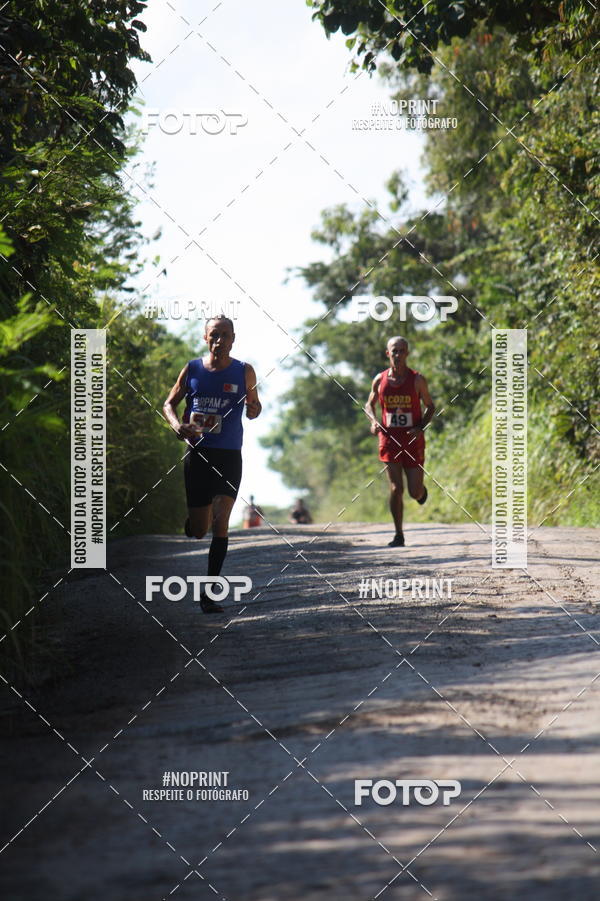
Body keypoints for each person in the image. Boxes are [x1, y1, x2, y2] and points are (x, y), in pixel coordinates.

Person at [163, 315, 261, 613]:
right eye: (214, 335)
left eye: (225, 335)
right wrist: (176, 425)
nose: (219, 340)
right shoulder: (192, 369)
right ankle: (193, 525)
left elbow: (254, 409)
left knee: (222, 523)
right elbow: (169, 403)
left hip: (229, 455)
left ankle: (208, 593)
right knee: (200, 530)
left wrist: (254, 407)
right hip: (198, 456)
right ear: (206, 338)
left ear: (234, 339)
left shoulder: (244, 371)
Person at [366, 336, 434, 547]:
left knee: (414, 492)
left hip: (412, 440)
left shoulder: (417, 380)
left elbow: (430, 407)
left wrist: (419, 427)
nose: (398, 355)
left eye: (402, 351)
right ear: (388, 354)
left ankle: (421, 492)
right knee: (396, 488)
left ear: (407, 353)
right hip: (388, 439)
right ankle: (398, 534)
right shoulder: (380, 379)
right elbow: (369, 405)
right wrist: (374, 422)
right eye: (394, 351)